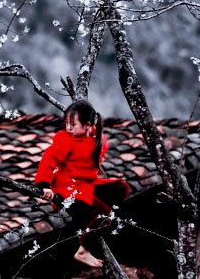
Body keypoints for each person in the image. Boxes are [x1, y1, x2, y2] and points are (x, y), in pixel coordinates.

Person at [35, 100, 130, 268]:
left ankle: (88, 217)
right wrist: (44, 185)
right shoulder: (65, 140)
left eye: (73, 124)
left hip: (87, 186)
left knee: (121, 188)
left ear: (87, 125)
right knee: (105, 215)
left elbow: (92, 163)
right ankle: (83, 249)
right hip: (68, 187)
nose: (68, 128)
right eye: (67, 123)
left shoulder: (99, 141)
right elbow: (49, 160)